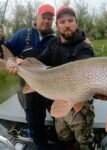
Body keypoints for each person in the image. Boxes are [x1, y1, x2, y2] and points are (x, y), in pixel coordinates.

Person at [37, 6, 96, 150]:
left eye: (70, 20)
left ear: (76, 23)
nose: (67, 24)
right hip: (60, 98)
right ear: (57, 26)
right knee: (63, 136)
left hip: (80, 100)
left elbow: (86, 70)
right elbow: (41, 62)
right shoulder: (53, 44)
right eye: (62, 21)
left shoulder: (84, 47)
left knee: (83, 138)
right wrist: (22, 62)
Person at [4, 4, 56, 150]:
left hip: (50, 87)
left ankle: (58, 139)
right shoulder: (23, 34)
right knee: (34, 121)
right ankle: (41, 146)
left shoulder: (56, 39)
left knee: (59, 117)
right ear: (36, 17)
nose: (46, 21)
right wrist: (12, 61)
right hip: (28, 86)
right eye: (43, 17)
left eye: (49, 19)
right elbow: (7, 50)